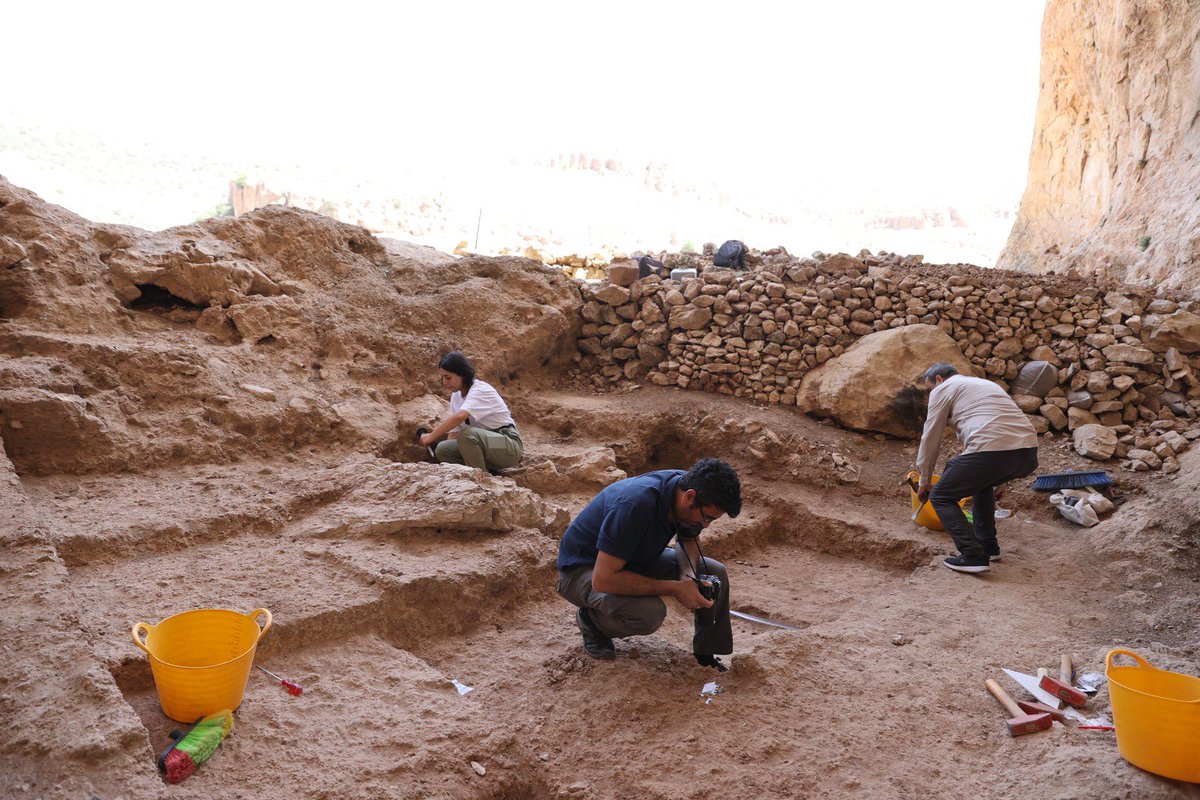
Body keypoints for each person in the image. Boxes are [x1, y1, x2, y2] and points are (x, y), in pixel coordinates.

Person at [556, 458, 742, 670]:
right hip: (583, 570)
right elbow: (603, 580)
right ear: (690, 497)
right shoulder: (634, 505)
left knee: (715, 572)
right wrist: (676, 589)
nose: (706, 526)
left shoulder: (689, 488)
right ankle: (592, 621)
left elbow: (689, 539)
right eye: (706, 518)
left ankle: (705, 655)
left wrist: (687, 577)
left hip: (633, 558)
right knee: (648, 613)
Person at [915, 363, 1039, 574]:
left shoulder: (944, 388)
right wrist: (1001, 480)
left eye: (929, 389)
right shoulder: (984, 385)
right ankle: (989, 547)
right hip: (1027, 453)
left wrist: (924, 479)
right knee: (981, 483)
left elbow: (931, 436)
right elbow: (1002, 431)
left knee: (941, 496)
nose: (931, 394)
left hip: (993, 450)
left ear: (938, 380)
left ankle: (972, 555)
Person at [419, 352, 523, 473]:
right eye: (442, 378)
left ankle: (481, 478)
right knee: (442, 449)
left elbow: (460, 417)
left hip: (508, 445)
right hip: (485, 445)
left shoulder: (480, 390)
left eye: (448, 378)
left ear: (462, 374)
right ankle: (485, 471)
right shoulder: (456, 396)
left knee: (467, 435)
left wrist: (430, 437)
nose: (444, 383)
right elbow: (454, 433)